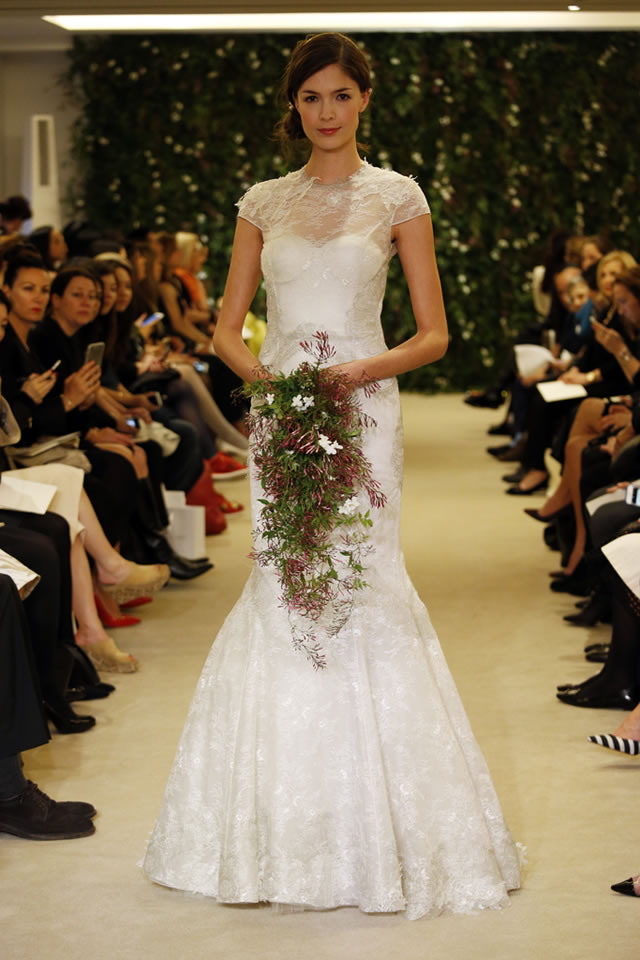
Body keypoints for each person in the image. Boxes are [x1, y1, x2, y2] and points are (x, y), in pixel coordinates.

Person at [143, 33, 520, 918]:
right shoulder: (262, 203)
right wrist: (273, 387)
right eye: (310, 96)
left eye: (340, 95)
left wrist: (352, 375)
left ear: (364, 100)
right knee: (284, 583)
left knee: (362, 579)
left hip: (363, 410)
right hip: (283, 411)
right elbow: (225, 329)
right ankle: (277, 828)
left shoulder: (398, 197)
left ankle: (384, 828)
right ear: (293, 105)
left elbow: (433, 334)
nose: (326, 111)